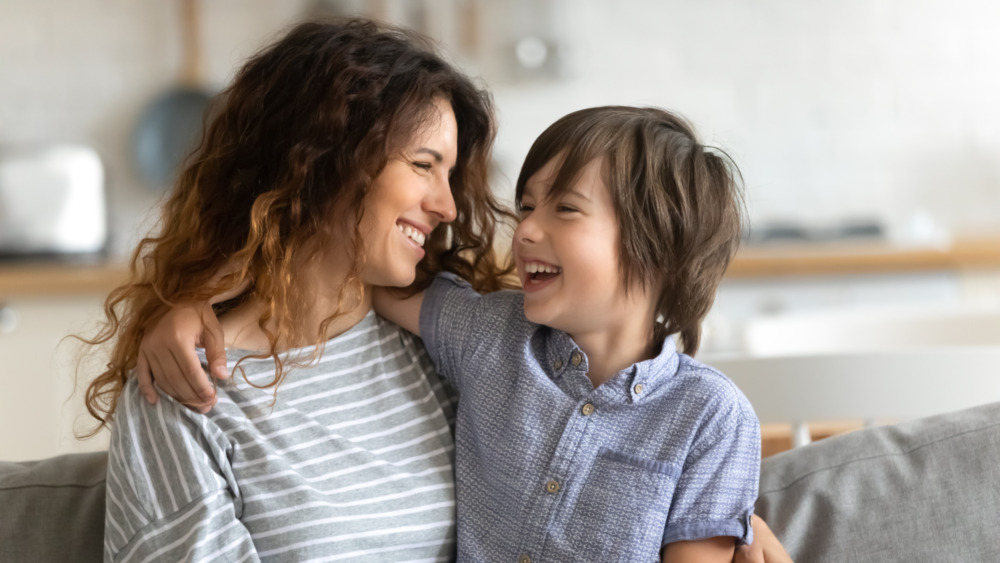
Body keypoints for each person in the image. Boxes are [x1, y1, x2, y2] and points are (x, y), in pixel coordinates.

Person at [143, 107, 783, 562]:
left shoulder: (711, 417)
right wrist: (201, 297)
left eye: (564, 208)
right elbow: (357, 268)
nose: (526, 230)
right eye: (527, 205)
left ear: (657, 248)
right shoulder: (488, 334)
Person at [83, 18, 513, 561]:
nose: (448, 207)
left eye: (449, 176)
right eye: (424, 165)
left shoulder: (437, 348)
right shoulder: (184, 390)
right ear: (325, 161)